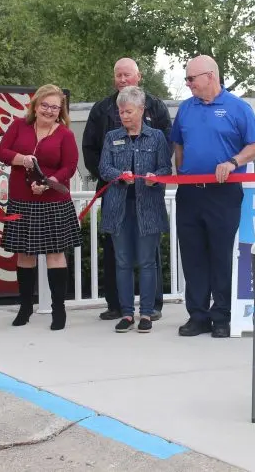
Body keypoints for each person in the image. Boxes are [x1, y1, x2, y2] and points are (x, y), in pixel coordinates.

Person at [172, 55, 255, 338]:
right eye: (186, 79)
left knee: (220, 255)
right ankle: (197, 316)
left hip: (223, 194)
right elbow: (178, 143)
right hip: (189, 194)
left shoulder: (238, 108)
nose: (188, 84)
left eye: (191, 79)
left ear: (210, 76)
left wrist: (233, 162)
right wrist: (183, 171)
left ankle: (221, 315)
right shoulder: (185, 109)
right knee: (193, 255)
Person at [82, 58, 172, 322]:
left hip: (148, 199)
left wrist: (157, 176)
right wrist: (112, 178)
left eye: (127, 75)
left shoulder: (156, 108)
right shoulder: (101, 110)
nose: (122, 79)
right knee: (115, 255)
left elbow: (166, 148)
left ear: (138, 77)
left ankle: (151, 307)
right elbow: (91, 149)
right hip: (114, 194)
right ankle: (118, 307)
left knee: (148, 257)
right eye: (118, 75)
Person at [0, 84, 81, 331]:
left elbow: (70, 165)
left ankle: (59, 310)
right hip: (22, 200)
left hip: (53, 201)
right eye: (45, 105)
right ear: (35, 105)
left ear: (61, 111)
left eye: (55, 107)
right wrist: (22, 159)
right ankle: (25, 307)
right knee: (25, 254)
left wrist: (50, 182)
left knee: (56, 255)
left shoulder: (65, 134)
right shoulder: (18, 126)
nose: (49, 110)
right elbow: (2, 152)